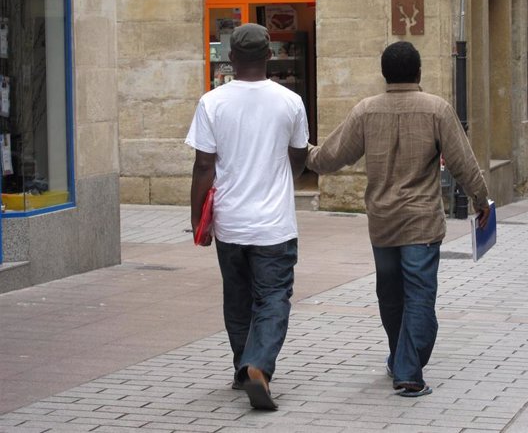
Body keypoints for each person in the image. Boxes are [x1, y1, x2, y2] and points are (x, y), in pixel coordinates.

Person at [307, 41, 490, 398]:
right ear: (418, 73)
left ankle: (401, 357)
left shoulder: (366, 111)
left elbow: (330, 157)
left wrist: (300, 149)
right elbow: (462, 162)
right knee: (420, 295)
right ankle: (408, 370)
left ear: (384, 74)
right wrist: (481, 201)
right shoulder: (436, 110)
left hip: (383, 221)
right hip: (421, 221)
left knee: (390, 296)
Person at [185, 23, 308, 411]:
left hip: (231, 222)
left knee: (237, 297)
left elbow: (203, 165)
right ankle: (258, 365)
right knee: (272, 297)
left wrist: (196, 220)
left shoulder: (212, 102)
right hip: (274, 224)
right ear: (269, 55)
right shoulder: (290, 101)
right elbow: (300, 155)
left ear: (231, 58)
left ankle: (244, 368)